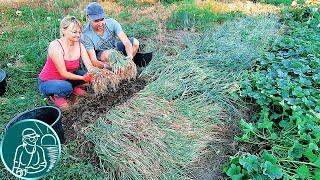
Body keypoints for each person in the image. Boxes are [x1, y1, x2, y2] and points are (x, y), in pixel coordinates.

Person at [38, 16, 94, 110]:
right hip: (48, 81)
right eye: (74, 32)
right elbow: (63, 73)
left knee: (89, 75)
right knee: (66, 87)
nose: (78, 35)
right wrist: (82, 78)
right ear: (63, 31)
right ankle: (56, 95)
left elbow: (89, 66)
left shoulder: (80, 46)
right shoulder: (56, 46)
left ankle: (72, 89)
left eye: (80, 32)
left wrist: (98, 73)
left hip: (68, 78)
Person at [81, 2, 139, 69]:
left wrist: (130, 57)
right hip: (101, 56)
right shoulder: (86, 34)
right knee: (110, 54)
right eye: (96, 21)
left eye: (102, 19)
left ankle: (127, 66)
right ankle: (116, 69)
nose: (100, 24)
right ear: (88, 18)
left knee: (135, 43)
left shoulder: (112, 23)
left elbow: (126, 42)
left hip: (114, 49)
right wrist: (109, 67)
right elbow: (93, 60)